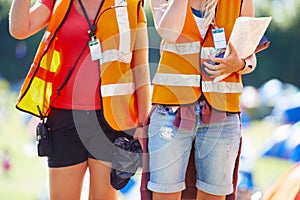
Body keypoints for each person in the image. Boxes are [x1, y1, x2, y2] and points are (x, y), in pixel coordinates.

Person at [9, 0, 150, 199]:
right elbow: (20, 29)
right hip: (64, 119)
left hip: (111, 122)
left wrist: (143, 123)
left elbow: (140, 65)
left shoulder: (129, 3)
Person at [148, 0, 257, 200]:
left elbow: (250, 56)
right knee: (164, 193)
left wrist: (239, 64)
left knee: (214, 195)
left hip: (221, 115)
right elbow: (169, 33)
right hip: (171, 112)